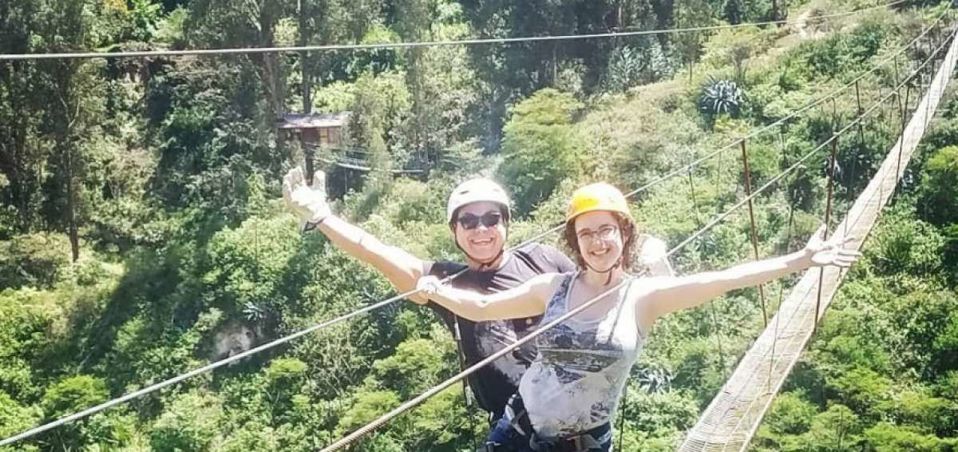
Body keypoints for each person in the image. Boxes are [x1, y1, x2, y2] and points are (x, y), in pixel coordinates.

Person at [416, 182, 859, 451]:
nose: (597, 242)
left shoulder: (644, 297)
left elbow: (724, 279)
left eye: (606, 229)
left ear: (623, 234)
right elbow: (482, 307)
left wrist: (798, 261)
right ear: (575, 242)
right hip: (518, 428)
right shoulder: (554, 288)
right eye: (585, 233)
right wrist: (438, 288)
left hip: (583, 443)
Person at [283, 168, 675, 421]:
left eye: (491, 219)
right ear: (454, 230)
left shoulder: (542, 260)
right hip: (512, 427)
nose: (481, 229)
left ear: (506, 223)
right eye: (468, 221)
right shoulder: (447, 283)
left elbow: (603, 289)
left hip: (575, 418)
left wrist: (653, 268)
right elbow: (376, 251)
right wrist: (324, 218)